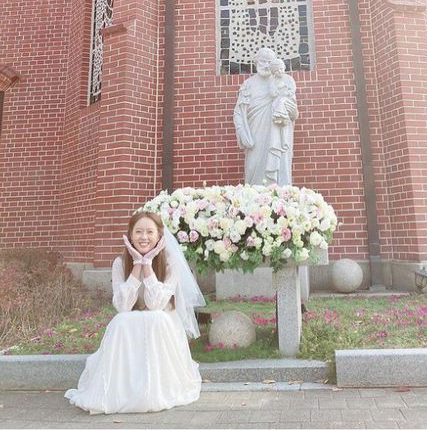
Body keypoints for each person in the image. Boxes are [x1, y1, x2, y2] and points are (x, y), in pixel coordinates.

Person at [65, 211, 205, 414]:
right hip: (131, 325)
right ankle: (120, 391)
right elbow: (123, 306)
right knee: (120, 320)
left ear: (159, 236)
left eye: (150, 232)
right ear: (130, 235)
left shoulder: (170, 263)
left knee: (156, 317)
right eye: (138, 232)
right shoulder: (120, 263)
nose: (144, 237)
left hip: (163, 325)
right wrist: (137, 266)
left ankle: (153, 392)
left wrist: (148, 265)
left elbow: (156, 304)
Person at [233, 47, 298, 186]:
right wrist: (242, 133)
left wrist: (288, 108)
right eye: (263, 61)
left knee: (279, 167)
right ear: (256, 62)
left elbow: (294, 113)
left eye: (269, 62)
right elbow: (239, 112)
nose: (266, 65)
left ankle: (281, 196)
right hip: (255, 133)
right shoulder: (248, 84)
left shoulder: (283, 81)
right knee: (253, 166)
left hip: (278, 134)